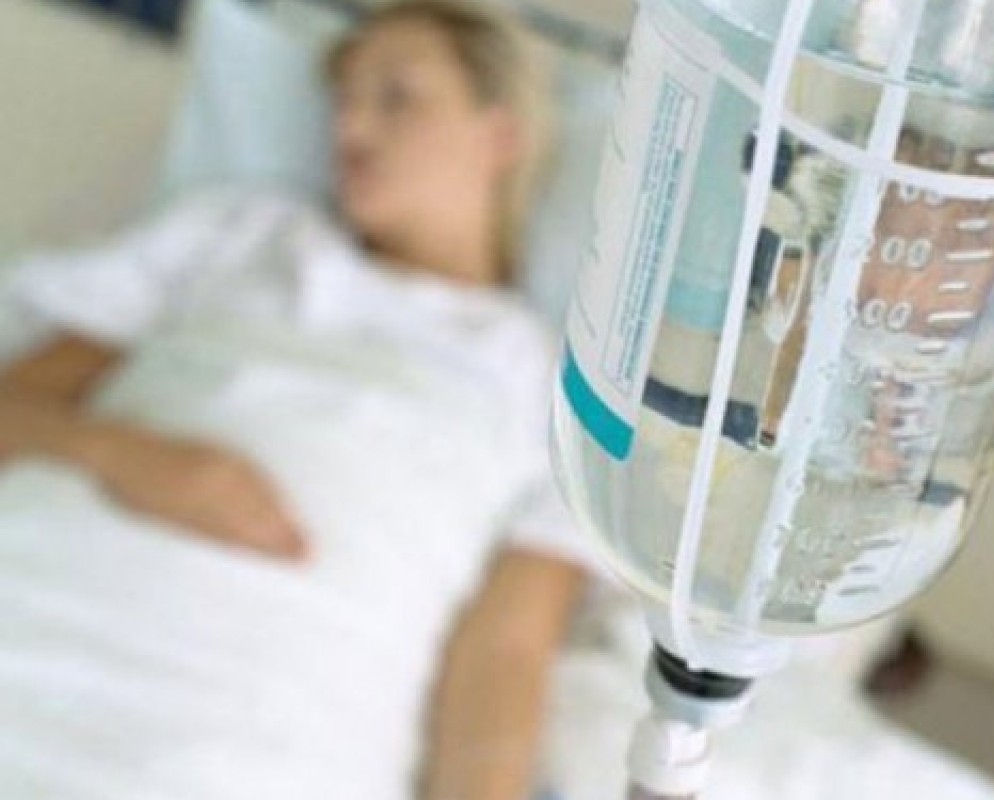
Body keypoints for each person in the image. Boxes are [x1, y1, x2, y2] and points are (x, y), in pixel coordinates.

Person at [0, 3, 588, 799]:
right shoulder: (241, 238)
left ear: (501, 133)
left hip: (258, 720)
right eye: (343, 98)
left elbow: (507, 655)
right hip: (42, 605)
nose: (350, 125)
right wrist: (129, 456)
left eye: (396, 96)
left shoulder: (546, 381)